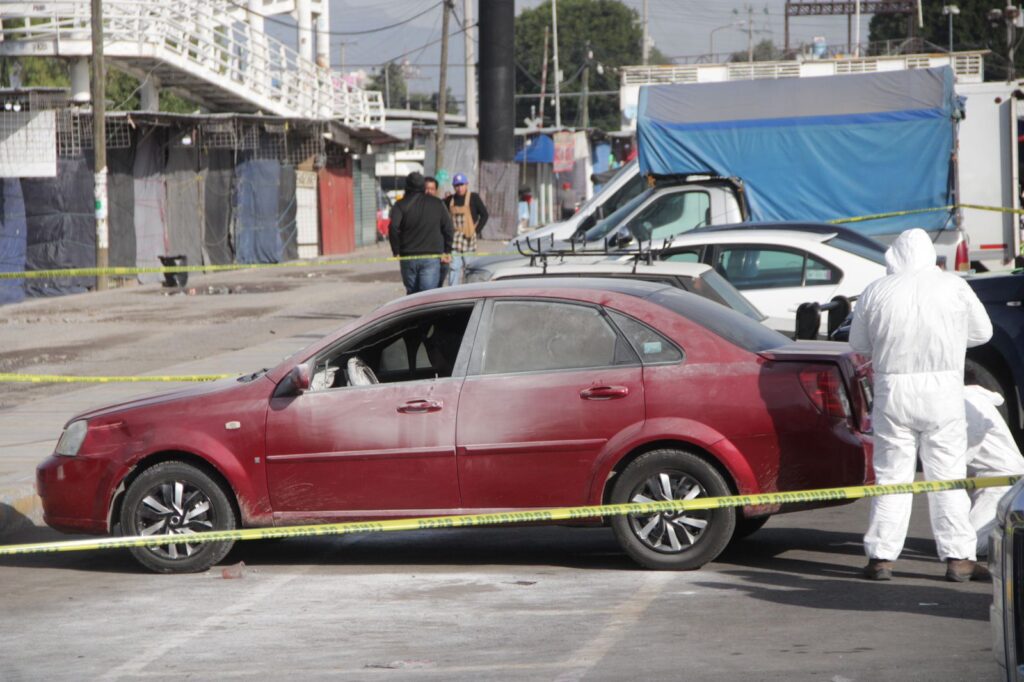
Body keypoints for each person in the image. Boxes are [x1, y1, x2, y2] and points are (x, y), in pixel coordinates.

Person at [849, 228, 993, 582]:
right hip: (943, 393)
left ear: (893, 256)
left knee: (893, 476)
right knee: (947, 477)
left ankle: (881, 557)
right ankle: (958, 557)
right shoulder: (953, 286)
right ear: (931, 255)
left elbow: (859, 343)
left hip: (892, 393)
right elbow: (983, 333)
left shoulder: (876, 291)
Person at [964, 384, 1024, 557]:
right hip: (997, 476)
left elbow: (958, 457)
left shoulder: (966, 403)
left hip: (998, 479)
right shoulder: (973, 399)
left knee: (970, 545)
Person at [388, 172, 453, 295]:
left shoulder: (400, 205)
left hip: (408, 257)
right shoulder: (437, 203)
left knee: (412, 296)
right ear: (423, 186)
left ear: (407, 186)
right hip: (431, 257)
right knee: (427, 297)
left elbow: (393, 227)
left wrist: (396, 250)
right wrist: (447, 250)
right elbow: (448, 228)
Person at [443, 172, 489, 286]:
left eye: (462, 185)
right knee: (454, 268)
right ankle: (452, 293)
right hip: (454, 239)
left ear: (466, 185)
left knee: (470, 268)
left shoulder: (474, 197)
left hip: (469, 238)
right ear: (454, 187)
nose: (459, 188)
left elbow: (484, 215)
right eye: (457, 185)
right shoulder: (449, 200)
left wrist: (476, 231)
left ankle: (470, 290)